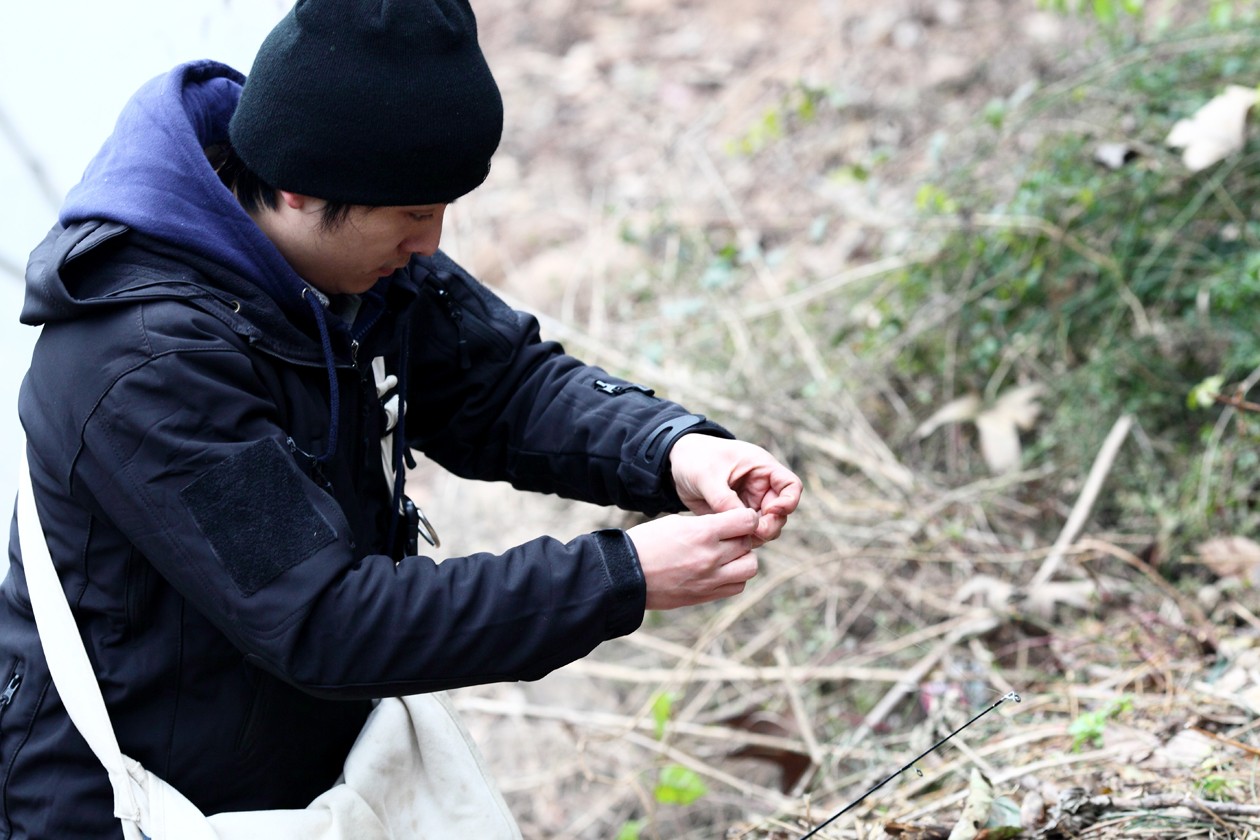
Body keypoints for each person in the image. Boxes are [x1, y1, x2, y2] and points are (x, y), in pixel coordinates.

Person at [0, 0, 802, 836]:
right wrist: (618, 576)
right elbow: (325, 621)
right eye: (415, 216)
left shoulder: (354, 253)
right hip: (126, 805)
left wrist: (674, 450)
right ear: (299, 187)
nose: (429, 244)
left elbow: (504, 387)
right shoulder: (150, 365)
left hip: (312, 779)